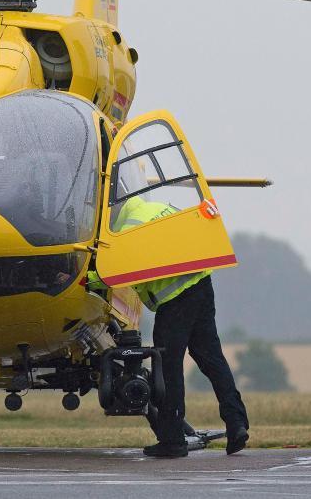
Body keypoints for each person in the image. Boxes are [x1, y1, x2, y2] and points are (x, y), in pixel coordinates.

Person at [90, 196, 250, 458]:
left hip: (175, 301)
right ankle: (237, 423)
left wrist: (87, 279)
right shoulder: (161, 208)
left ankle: (173, 440)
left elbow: (120, 268)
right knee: (213, 360)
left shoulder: (127, 227)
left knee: (168, 368)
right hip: (201, 285)